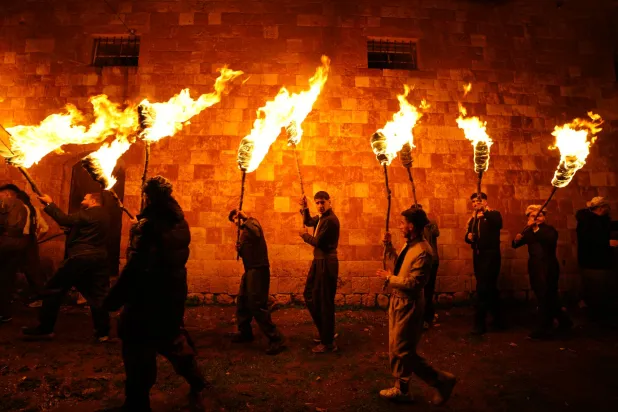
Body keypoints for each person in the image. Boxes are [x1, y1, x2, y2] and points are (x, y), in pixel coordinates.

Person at [103, 176, 207, 411]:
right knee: (171, 339)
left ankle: (137, 404)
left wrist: (113, 299)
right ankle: (196, 379)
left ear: (149, 196)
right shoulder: (179, 221)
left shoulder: (151, 226)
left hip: (146, 298)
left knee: (138, 351)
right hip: (172, 293)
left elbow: (137, 267)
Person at [377, 207, 456, 404]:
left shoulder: (424, 251)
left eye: (402, 223)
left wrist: (389, 278)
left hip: (409, 305)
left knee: (403, 350)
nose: (399, 226)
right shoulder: (409, 245)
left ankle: (441, 380)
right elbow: (399, 267)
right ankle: (402, 389)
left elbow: (414, 283)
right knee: (395, 348)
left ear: (411, 226)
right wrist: (388, 247)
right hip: (397, 301)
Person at [21, 192, 111, 341]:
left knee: (53, 290)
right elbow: (86, 231)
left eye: (85, 198)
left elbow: (64, 219)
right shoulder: (105, 216)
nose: (82, 200)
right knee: (97, 295)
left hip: (80, 258)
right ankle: (103, 333)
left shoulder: (91, 212)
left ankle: (45, 329)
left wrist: (49, 203)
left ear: (94, 201)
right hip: (98, 258)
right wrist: (72, 231)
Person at [227, 209, 285, 355]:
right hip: (249, 270)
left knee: (257, 305)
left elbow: (257, 233)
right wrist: (240, 250)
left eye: (236, 218)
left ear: (241, 215)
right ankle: (245, 332)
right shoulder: (244, 232)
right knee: (242, 301)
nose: (235, 221)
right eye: (233, 220)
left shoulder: (252, 223)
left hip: (258, 270)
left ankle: (276, 338)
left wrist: (245, 218)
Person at [512, 205, 572, 339]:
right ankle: (564, 321)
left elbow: (549, 240)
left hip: (548, 266)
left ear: (544, 217)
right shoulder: (528, 231)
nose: (536, 218)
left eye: (539, 215)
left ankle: (544, 328)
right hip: (535, 266)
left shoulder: (549, 230)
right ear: (528, 218)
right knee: (546, 295)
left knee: (546, 295)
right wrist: (516, 240)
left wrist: (535, 228)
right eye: (533, 216)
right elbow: (515, 245)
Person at [299, 191, 340, 353]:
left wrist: (304, 235)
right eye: (317, 203)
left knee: (324, 301)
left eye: (323, 202)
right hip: (319, 261)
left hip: (326, 262)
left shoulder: (330, 220)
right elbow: (308, 221)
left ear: (329, 202)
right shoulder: (322, 218)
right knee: (310, 294)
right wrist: (305, 207)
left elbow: (318, 242)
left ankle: (328, 342)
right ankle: (325, 332)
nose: (320, 205)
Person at [0, 184, 50, 307]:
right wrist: (36, 239)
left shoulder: (15, 208)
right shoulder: (33, 209)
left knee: (10, 270)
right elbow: (45, 228)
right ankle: (40, 297)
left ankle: (8, 299)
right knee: (31, 270)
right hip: (29, 240)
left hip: (16, 239)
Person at [464, 192, 503, 335]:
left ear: (485, 202)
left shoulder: (493, 214)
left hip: (491, 256)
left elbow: (498, 224)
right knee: (490, 288)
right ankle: (499, 319)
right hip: (478, 256)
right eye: (473, 201)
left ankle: (479, 323)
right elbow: (468, 235)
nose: (475, 203)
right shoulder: (473, 219)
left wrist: (485, 212)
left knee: (482, 288)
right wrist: (468, 237)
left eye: (478, 201)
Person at [575, 197, 618, 318]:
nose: (608, 210)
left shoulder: (599, 220)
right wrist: (607, 243)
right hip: (593, 261)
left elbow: (609, 226)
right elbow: (588, 240)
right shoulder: (587, 222)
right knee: (596, 290)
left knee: (600, 289)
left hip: (599, 261)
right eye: (607, 207)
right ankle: (596, 315)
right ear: (601, 208)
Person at [0, 186, 28, 324]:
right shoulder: (23, 207)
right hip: (16, 245)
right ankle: (5, 312)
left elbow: (5, 224)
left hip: (4, 245)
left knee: (3, 279)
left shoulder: (8, 204)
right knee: (7, 279)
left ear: (7, 194)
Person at [410, 203, 440, 329]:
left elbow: (435, 233)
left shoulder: (430, 224)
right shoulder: (413, 227)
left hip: (431, 260)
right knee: (419, 290)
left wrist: (425, 222)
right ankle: (423, 316)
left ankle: (427, 318)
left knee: (428, 290)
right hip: (419, 260)